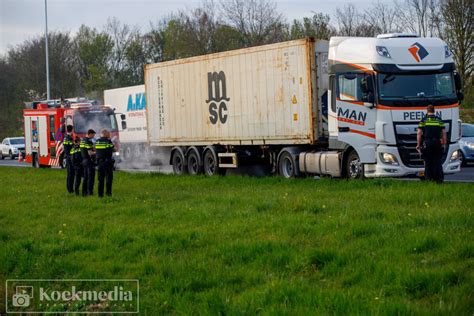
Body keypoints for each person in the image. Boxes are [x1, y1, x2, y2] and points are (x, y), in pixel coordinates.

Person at [416, 105, 447, 183]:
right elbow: (443, 133)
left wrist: (418, 144)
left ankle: (429, 179)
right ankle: (439, 179)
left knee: (428, 161)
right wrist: (444, 143)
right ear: (434, 110)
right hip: (437, 142)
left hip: (427, 143)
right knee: (437, 161)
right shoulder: (439, 120)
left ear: (427, 111)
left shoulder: (424, 120)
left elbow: (419, 133)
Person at [95, 129, 116, 197]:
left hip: (99, 163)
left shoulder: (97, 141)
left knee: (100, 179)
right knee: (108, 178)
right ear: (105, 134)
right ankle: (108, 193)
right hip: (107, 163)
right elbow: (113, 149)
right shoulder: (108, 141)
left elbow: (95, 149)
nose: (109, 134)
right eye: (108, 133)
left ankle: (100, 194)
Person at [80, 129, 96, 196]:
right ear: (90, 134)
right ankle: (90, 192)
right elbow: (90, 153)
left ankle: (84, 192)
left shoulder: (82, 140)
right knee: (90, 177)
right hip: (89, 161)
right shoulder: (88, 141)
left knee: (85, 177)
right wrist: (97, 152)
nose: (93, 136)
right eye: (93, 135)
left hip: (84, 160)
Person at [63, 125, 74, 193]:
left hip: (67, 156)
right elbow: (72, 147)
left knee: (69, 174)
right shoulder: (69, 138)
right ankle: (70, 189)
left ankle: (69, 188)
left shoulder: (65, 137)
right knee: (71, 174)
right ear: (72, 130)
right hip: (70, 157)